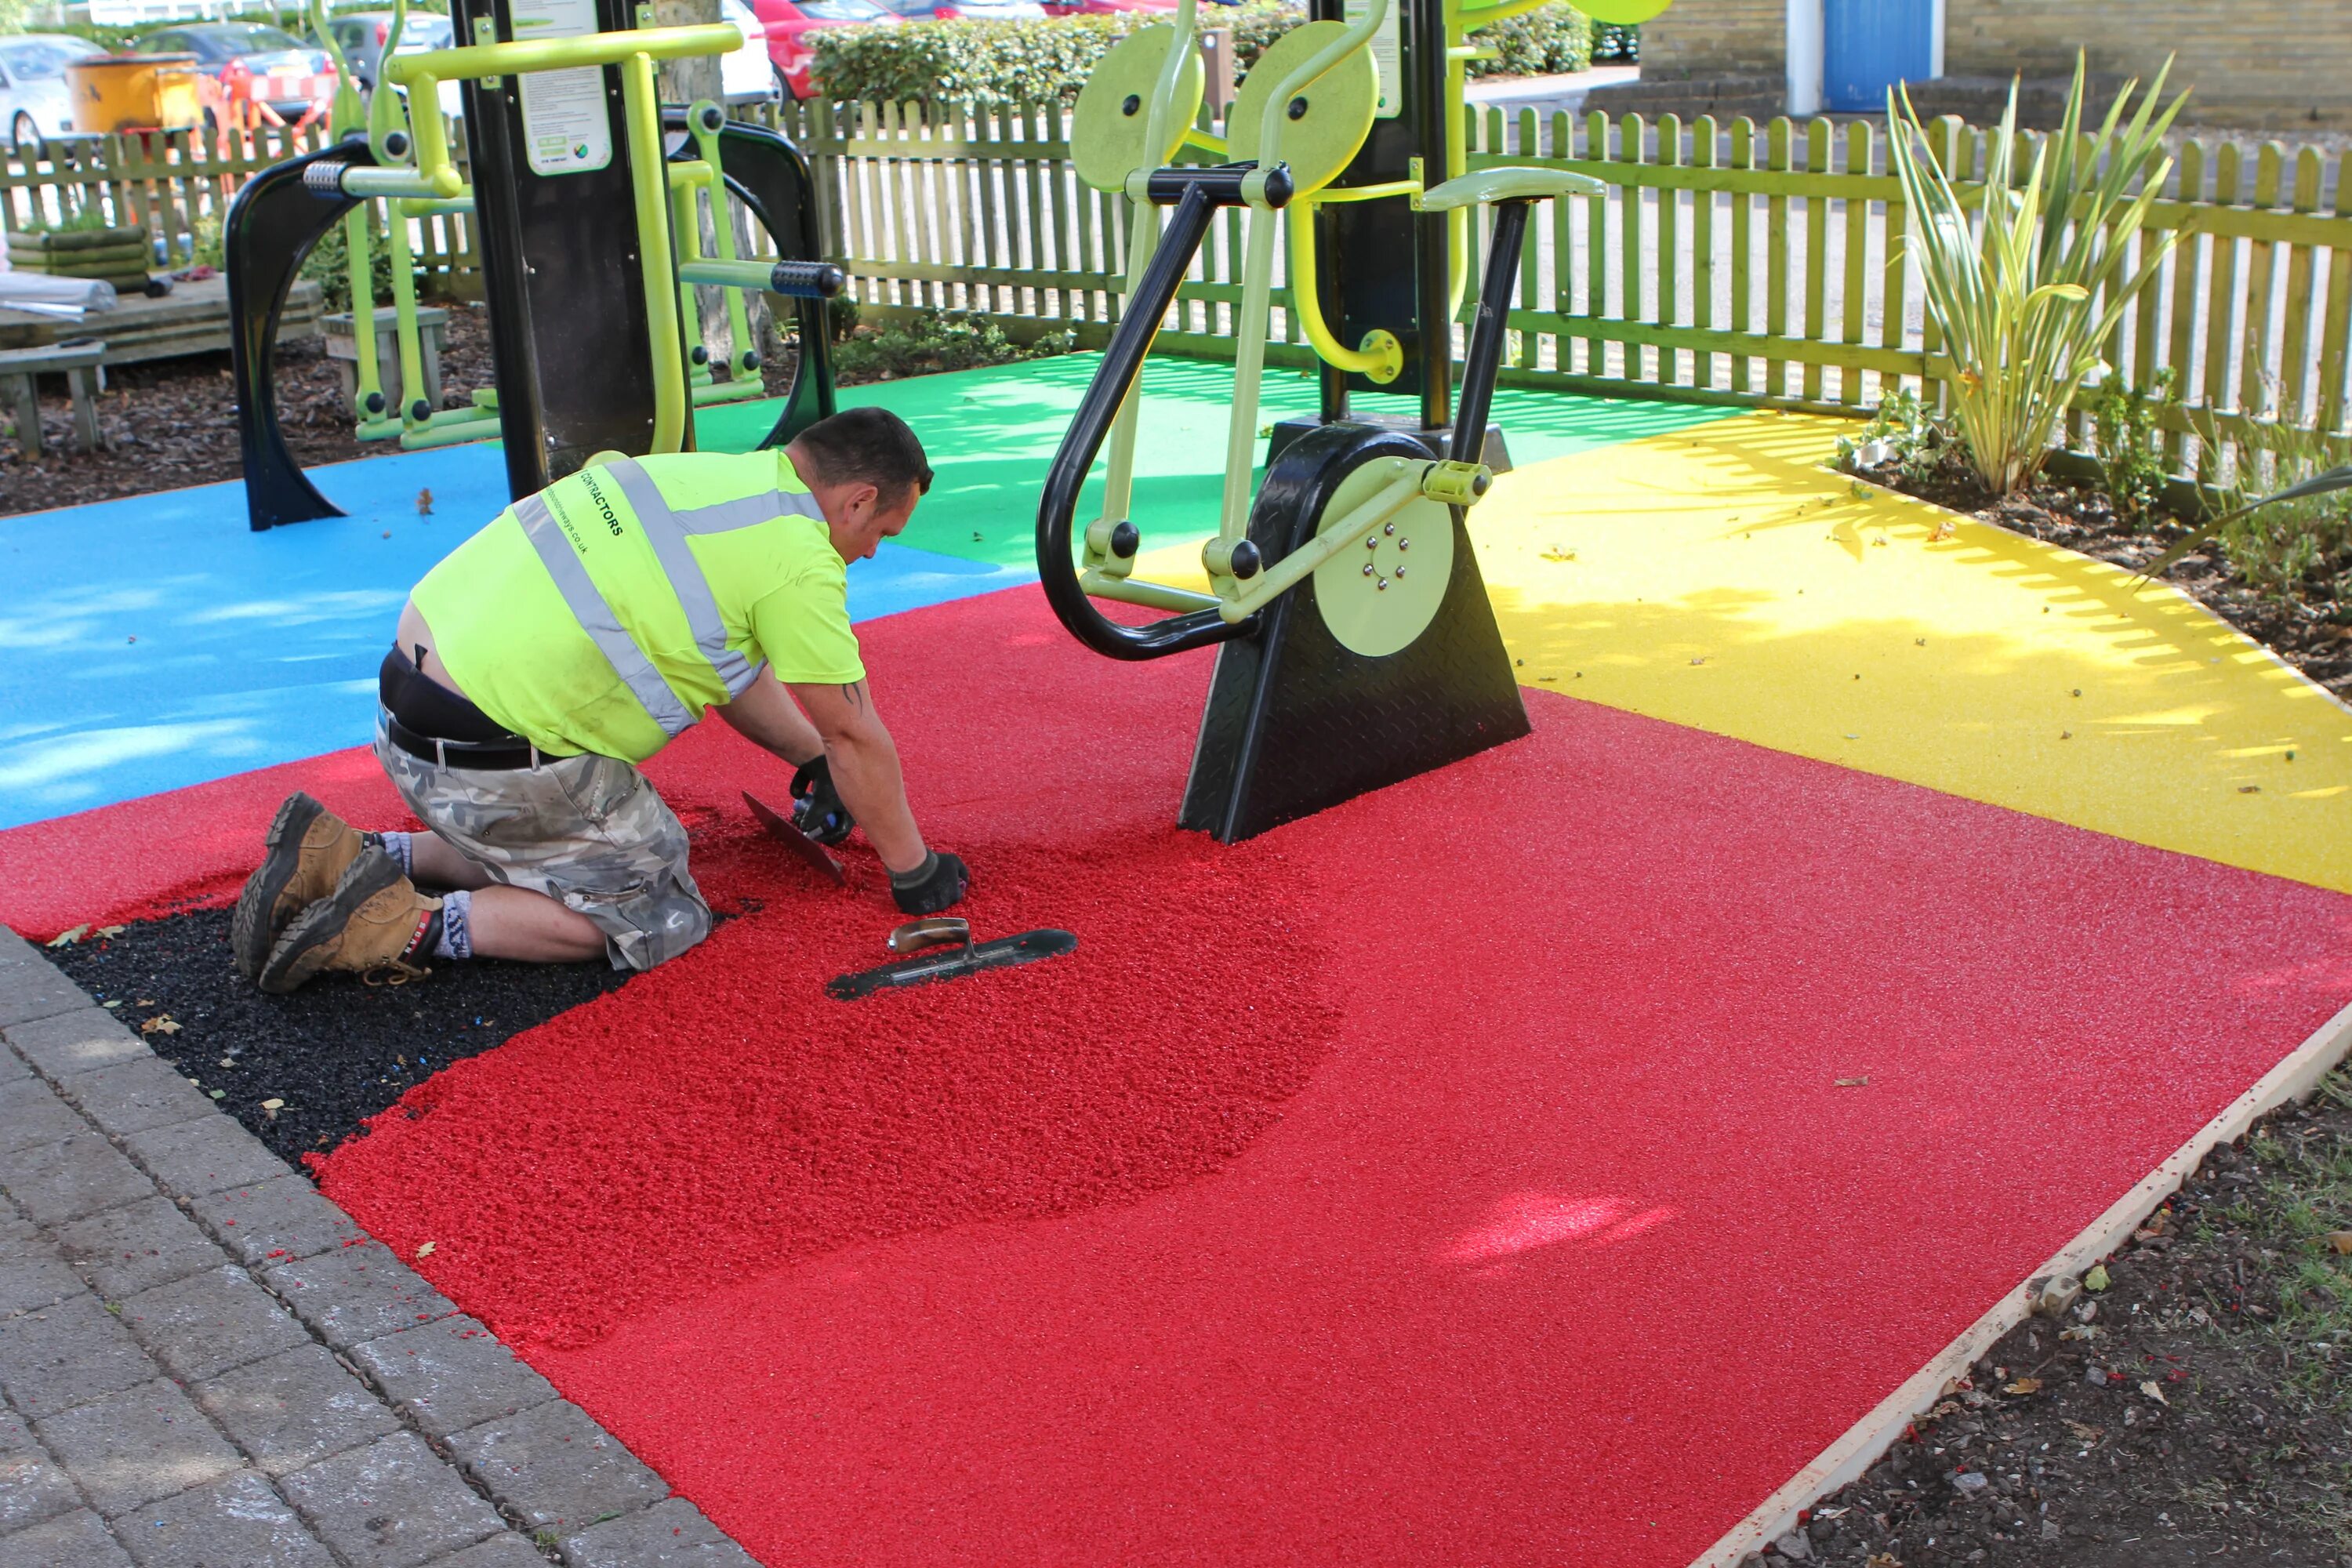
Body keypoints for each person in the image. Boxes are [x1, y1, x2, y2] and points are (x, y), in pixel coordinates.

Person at [230, 407, 967, 993]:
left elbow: (727, 671)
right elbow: (856, 734)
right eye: (881, 531)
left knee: (569, 842)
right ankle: (391, 925)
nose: (872, 551)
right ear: (858, 498)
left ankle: (357, 854)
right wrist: (913, 868)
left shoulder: (691, 475)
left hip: (406, 714)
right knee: (653, 913)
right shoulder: (799, 558)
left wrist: (808, 759)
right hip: (494, 761)